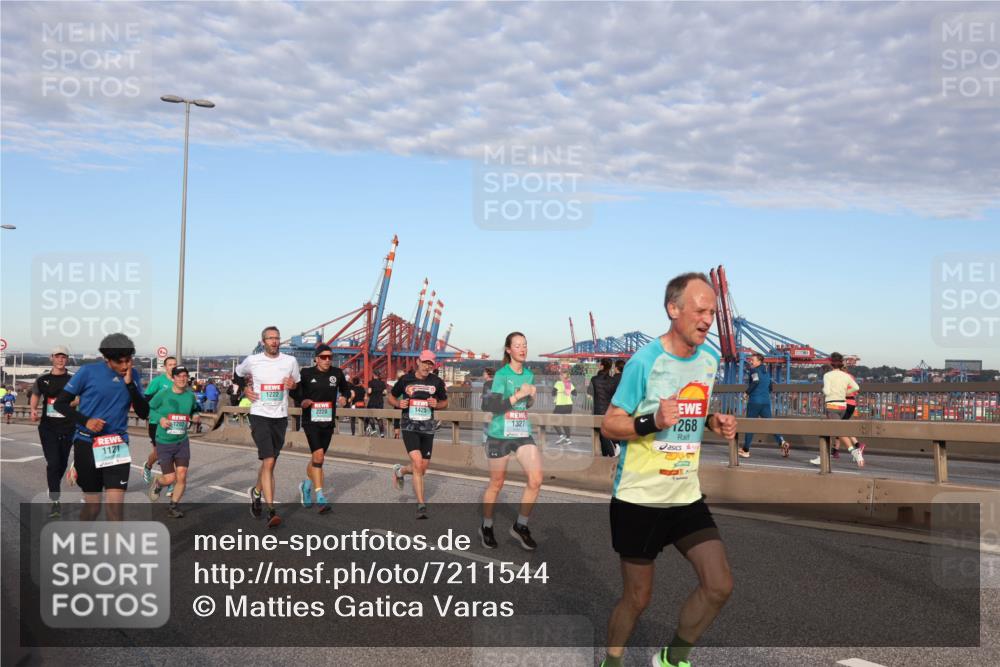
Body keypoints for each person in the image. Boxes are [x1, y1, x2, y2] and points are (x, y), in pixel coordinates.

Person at [599, 273, 738, 667]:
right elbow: (611, 424)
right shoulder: (645, 361)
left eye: (712, 311)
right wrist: (652, 421)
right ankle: (612, 661)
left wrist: (715, 422)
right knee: (637, 599)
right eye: (700, 310)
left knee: (719, 585)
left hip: (685, 495)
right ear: (673, 309)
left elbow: (694, 411)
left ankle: (671, 659)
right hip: (639, 498)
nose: (708, 319)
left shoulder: (709, 361)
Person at [53, 333, 150, 521]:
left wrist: (130, 385)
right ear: (107, 359)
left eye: (128, 360)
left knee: (115, 512)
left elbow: (144, 413)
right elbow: (60, 404)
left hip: (116, 444)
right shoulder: (88, 372)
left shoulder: (133, 374)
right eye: (119, 362)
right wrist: (86, 420)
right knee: (93, 509)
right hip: (87, 443)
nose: (125, 366)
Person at [479, 332, 542, 551]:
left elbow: (525, 405)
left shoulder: (529, 374)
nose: (523, 349)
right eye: (518, 345)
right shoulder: (500, 375)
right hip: (499, 434)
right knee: (497, 483)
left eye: (525, 345)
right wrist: (518, 395)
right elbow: (493, 407)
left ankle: (520, 526)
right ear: (509, 350)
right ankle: (487, 526)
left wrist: (531, 396)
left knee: (536, 479)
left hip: (522, 431)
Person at [236, 326, 300, 528]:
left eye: (277, 338)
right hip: (259, 415)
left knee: (269, 463)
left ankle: (256, 491)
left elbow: (297, 385)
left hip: (280, 417)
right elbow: (237, 375)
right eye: (270, 338)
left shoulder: (290, 361)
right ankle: (271, 510)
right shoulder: (253, 361)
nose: (274, 341)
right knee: (269, 460)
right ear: (263, 341)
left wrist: (293, 385)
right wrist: (245, 389)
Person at [388, 350, 449, 519]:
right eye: (424, 362)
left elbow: (445, 402)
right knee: (416, 461)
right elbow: (391, 398)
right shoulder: (405, 379)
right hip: (409, 425)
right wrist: (399, 403)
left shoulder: (436, 381)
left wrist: (437, 404)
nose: (427, 366)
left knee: (421, 468)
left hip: (428, 428)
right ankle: (421, 504)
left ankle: (400, 471)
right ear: (418, 361)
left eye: (430, 364)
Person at [290, 344, 349, 513]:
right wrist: (303, 400)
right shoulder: (306, 373)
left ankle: (306, 486)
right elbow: (296, 392)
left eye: (330, 357)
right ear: (316, 358)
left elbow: (345, 389)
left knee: (318, 459)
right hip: (311, 421)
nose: (327, 360)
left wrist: (344, 398)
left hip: (328, 421)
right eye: (323, 357)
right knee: (319, 455)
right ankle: (321, 497)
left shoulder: (337, 374)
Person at [146, 367, 200, 518]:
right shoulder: (163, 394)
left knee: (181, 475)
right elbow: (148, 409)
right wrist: (160, 419)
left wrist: (195, 416)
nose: (183, 379)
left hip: (182, 440)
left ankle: (173, 505)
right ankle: (158, 483)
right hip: (164, 441)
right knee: (170, 478)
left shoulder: (190, 396)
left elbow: (195, 410)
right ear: (173, 378)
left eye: (185, 376)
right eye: (179, 376)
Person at [30, 346, 76, 518]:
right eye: (57, 356)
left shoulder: (73, 379)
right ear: (52, 358)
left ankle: (53, 484)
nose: (60, 360)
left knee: (63, 462)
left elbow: (80, 397)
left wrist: (69, 404)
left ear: (67, 359)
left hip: (68, 426)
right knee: (54, 462)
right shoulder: (43, 379)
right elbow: (35, 394)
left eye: (63, 357)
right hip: (48, 427)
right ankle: (55, 501)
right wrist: (33, 409)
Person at [812, 352, 864, 468]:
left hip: (832, 406)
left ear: (831, 363)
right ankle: (823, 456)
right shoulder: (846, 375)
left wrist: (825, 391)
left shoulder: (828, 375)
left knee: (838, 431)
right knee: (828, 431)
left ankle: (855, 451)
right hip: (843, 406)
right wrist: (845, 392)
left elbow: (826, 391)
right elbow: (856, 387)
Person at [740, 352, 789, 458]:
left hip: (754, 402)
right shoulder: (766, 372)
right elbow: (771, 387)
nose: (750, 361)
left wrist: (746, 393)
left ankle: (746, 450)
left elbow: (755, 382)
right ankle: (782, 442)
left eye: (753, 360)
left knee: (750, 425)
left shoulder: (754, 370)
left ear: (759, 361)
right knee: (770, 424)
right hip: (765, 402)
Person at [142, 356, 177, 486]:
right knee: (159, 453)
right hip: (156, 423)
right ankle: (148, 466)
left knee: (171, 453)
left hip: (173, 423)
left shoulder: (179, 381)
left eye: (175, 364)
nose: (173, 366)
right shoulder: (158, 381)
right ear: (165, 367)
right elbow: (146, 400)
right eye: (170, 364)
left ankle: (169, 482)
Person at [589, 359, 619, 457]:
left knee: (602, 434)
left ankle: (609, 453)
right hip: (609, 410)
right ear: (610, 367)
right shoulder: (613, 380)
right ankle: (611, 452)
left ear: (601, 366)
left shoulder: (594, 379)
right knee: (605, 433)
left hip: (597, 410)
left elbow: (589, 393)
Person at [552, 367, 577, 445]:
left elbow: (552, 393)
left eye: (561, 375)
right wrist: (567, 391)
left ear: (562, 376)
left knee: (553, 420)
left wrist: (559, 392)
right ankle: (568, 439)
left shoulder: (558, 383)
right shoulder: (569, 384)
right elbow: (575, 393)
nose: (560, 376)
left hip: (560, 405)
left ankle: (561, 436)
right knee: (565, 422)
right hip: (569, 405)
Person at [366, 370, 387, 437]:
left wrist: (368, 394)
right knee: (379, 418)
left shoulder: (371, 382)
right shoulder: (382, 383)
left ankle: (374, 430)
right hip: (380, 402)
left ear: (374, 375)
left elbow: (369, 391)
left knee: (371, 416)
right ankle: (382, 433)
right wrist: (380, 393)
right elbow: (385, 392)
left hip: (372, 401)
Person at [480, 367, 495, 443]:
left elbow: (488, 395)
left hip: (488, 408)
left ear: (488, 374)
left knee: (486, 426)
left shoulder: (487, 384)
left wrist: (483, 396)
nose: (483, 374)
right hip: (494, 408)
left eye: (484, 373)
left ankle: (485, 442)